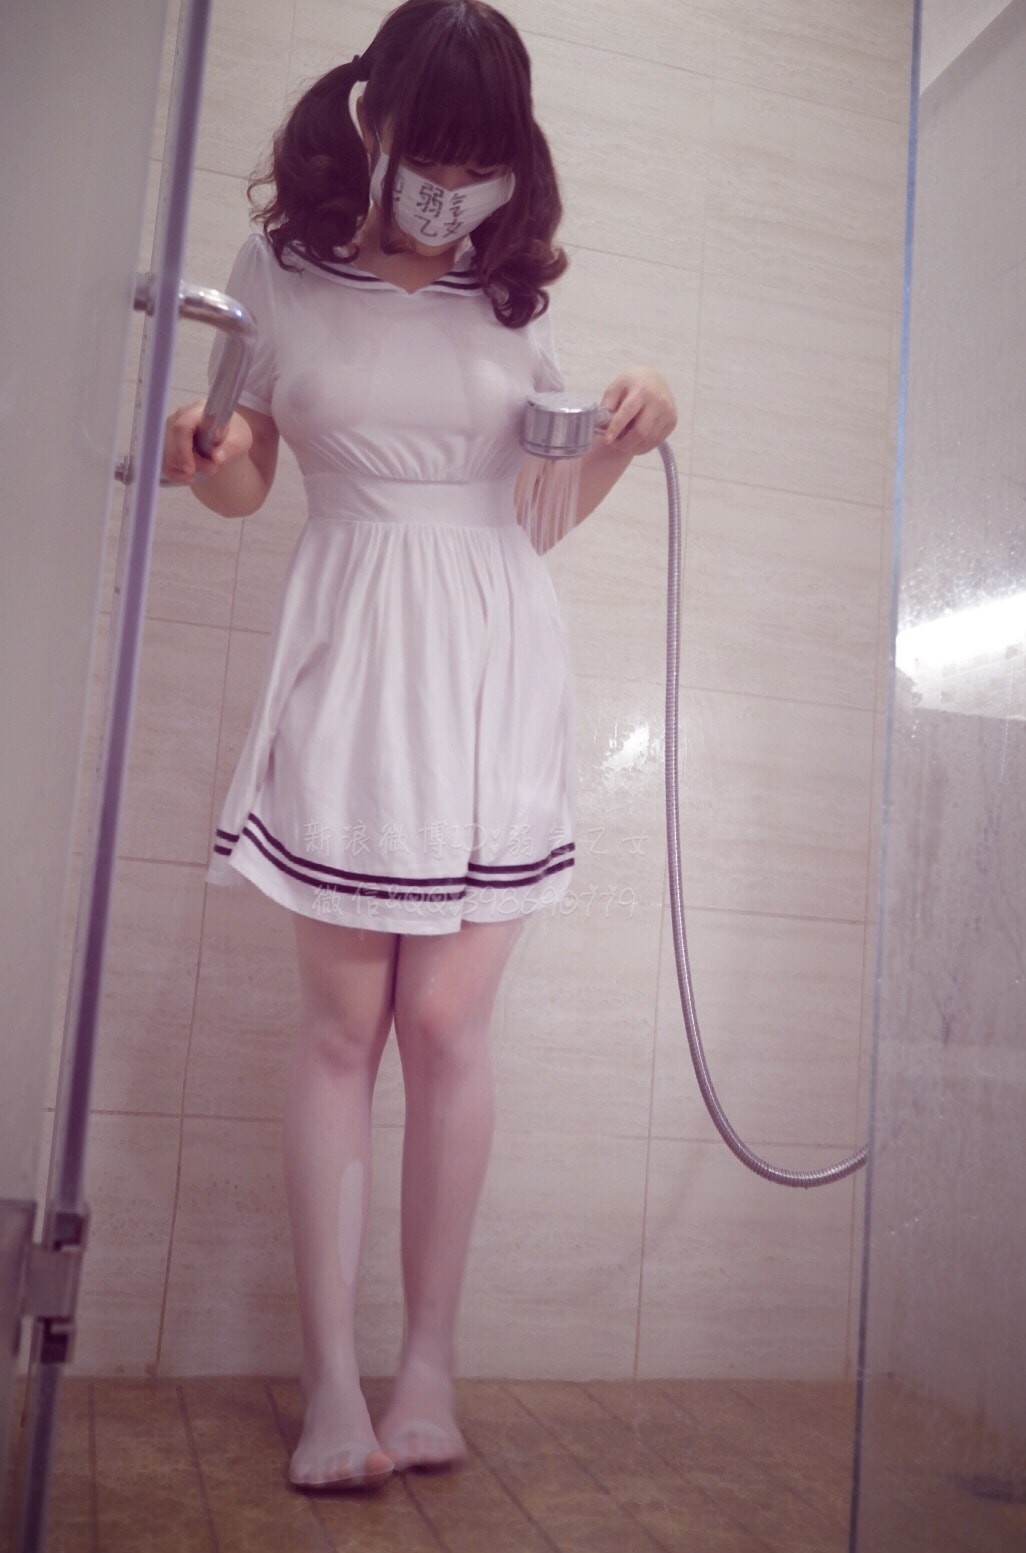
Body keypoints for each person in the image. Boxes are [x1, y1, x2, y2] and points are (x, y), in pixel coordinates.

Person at [163, 0, 676, 1494]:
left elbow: (534, 517)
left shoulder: (509, 296)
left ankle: (428, 1369)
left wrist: (633, 431)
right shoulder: (279, 268)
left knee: (448, 1027)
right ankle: (331, 1384)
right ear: (371, 120)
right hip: (351, 648)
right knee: (342, 1030)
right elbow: (240, 485)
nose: (452, 192)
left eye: (479, 164)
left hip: (496, 661)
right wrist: (213, 451)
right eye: (429, 157)